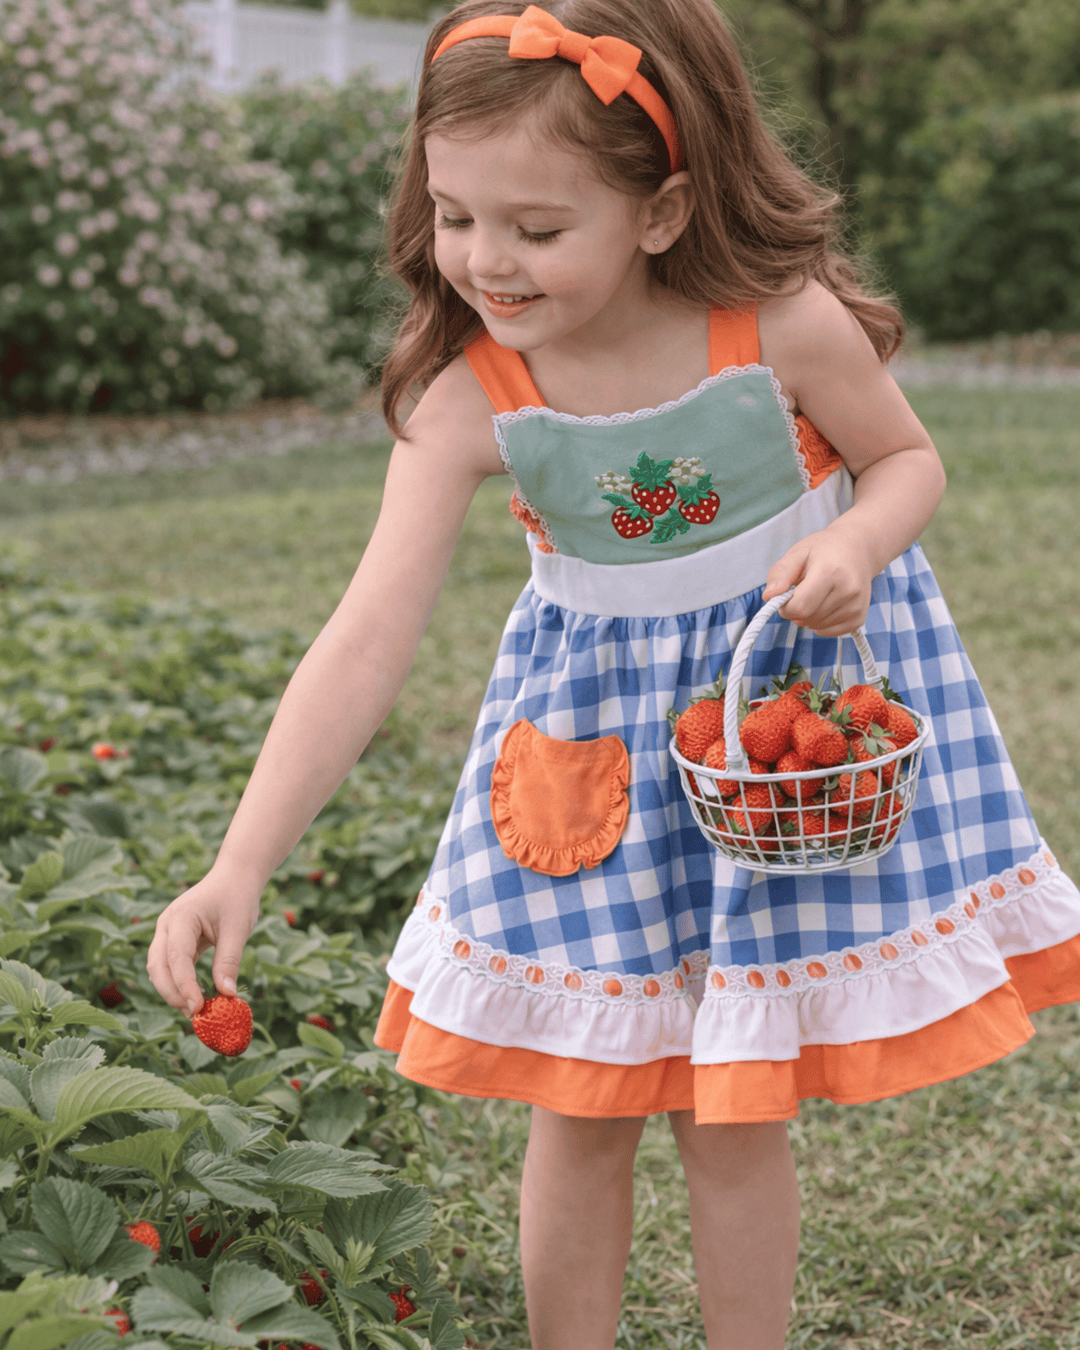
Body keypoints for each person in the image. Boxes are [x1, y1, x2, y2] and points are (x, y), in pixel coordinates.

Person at [147, 2, 1080, 1347]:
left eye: (536, 228)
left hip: (766, 749)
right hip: (587, 777)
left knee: (728, 1104)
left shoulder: (774, 327)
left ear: (661, 210)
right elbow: (363, 638)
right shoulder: (477, 394)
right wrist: (238, 861)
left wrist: (860, 545)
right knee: (580, 1104)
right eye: (455, 215)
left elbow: (907, 458)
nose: (484, 261)